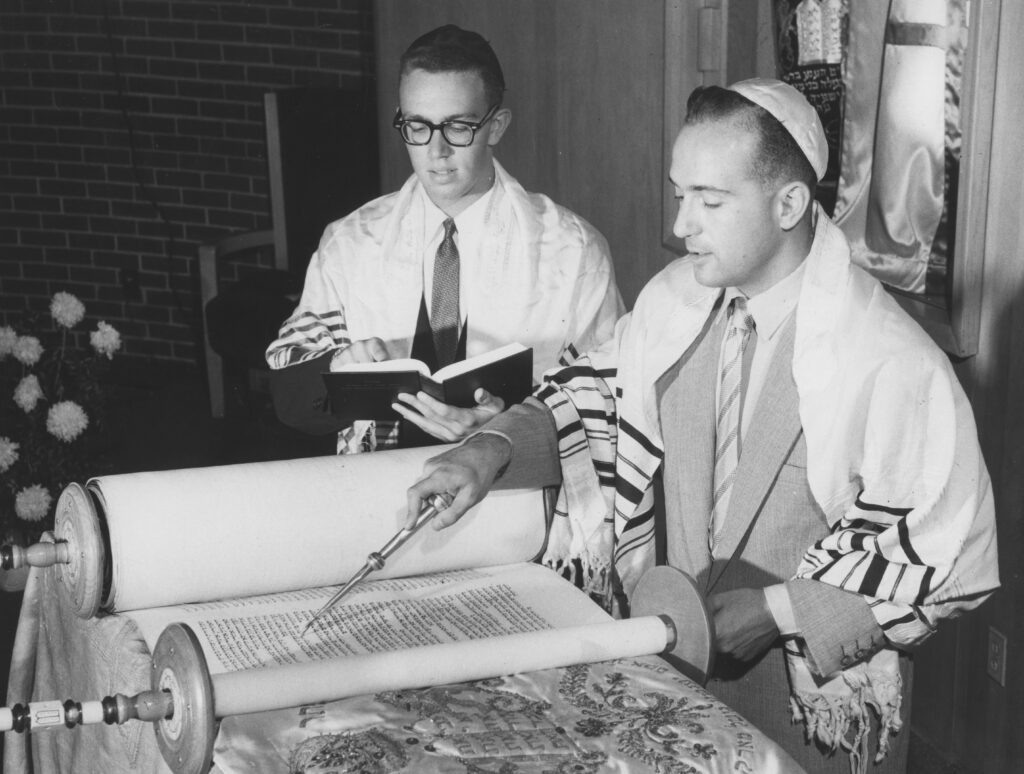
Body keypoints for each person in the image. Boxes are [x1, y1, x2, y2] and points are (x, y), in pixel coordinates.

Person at [405, 78, 999, 773]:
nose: (681, 223)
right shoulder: (675, 305)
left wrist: (777, 612)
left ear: (789, 204)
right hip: (674, 680)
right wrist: (486, 450)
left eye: (709, 202)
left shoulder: (891, 360)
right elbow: (587, 399)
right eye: (680, 193)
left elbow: (953, 562)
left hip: (810, 718)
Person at [265, 24, 623, 453]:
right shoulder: (351, 240)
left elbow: (612, 398)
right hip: (380, 485)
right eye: (418, 126)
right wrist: (339, 366)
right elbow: (291, 401)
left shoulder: (573, 250)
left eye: (457, 126)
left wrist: (511, 428)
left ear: (496, 126)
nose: (436, 151)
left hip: (515, 488)